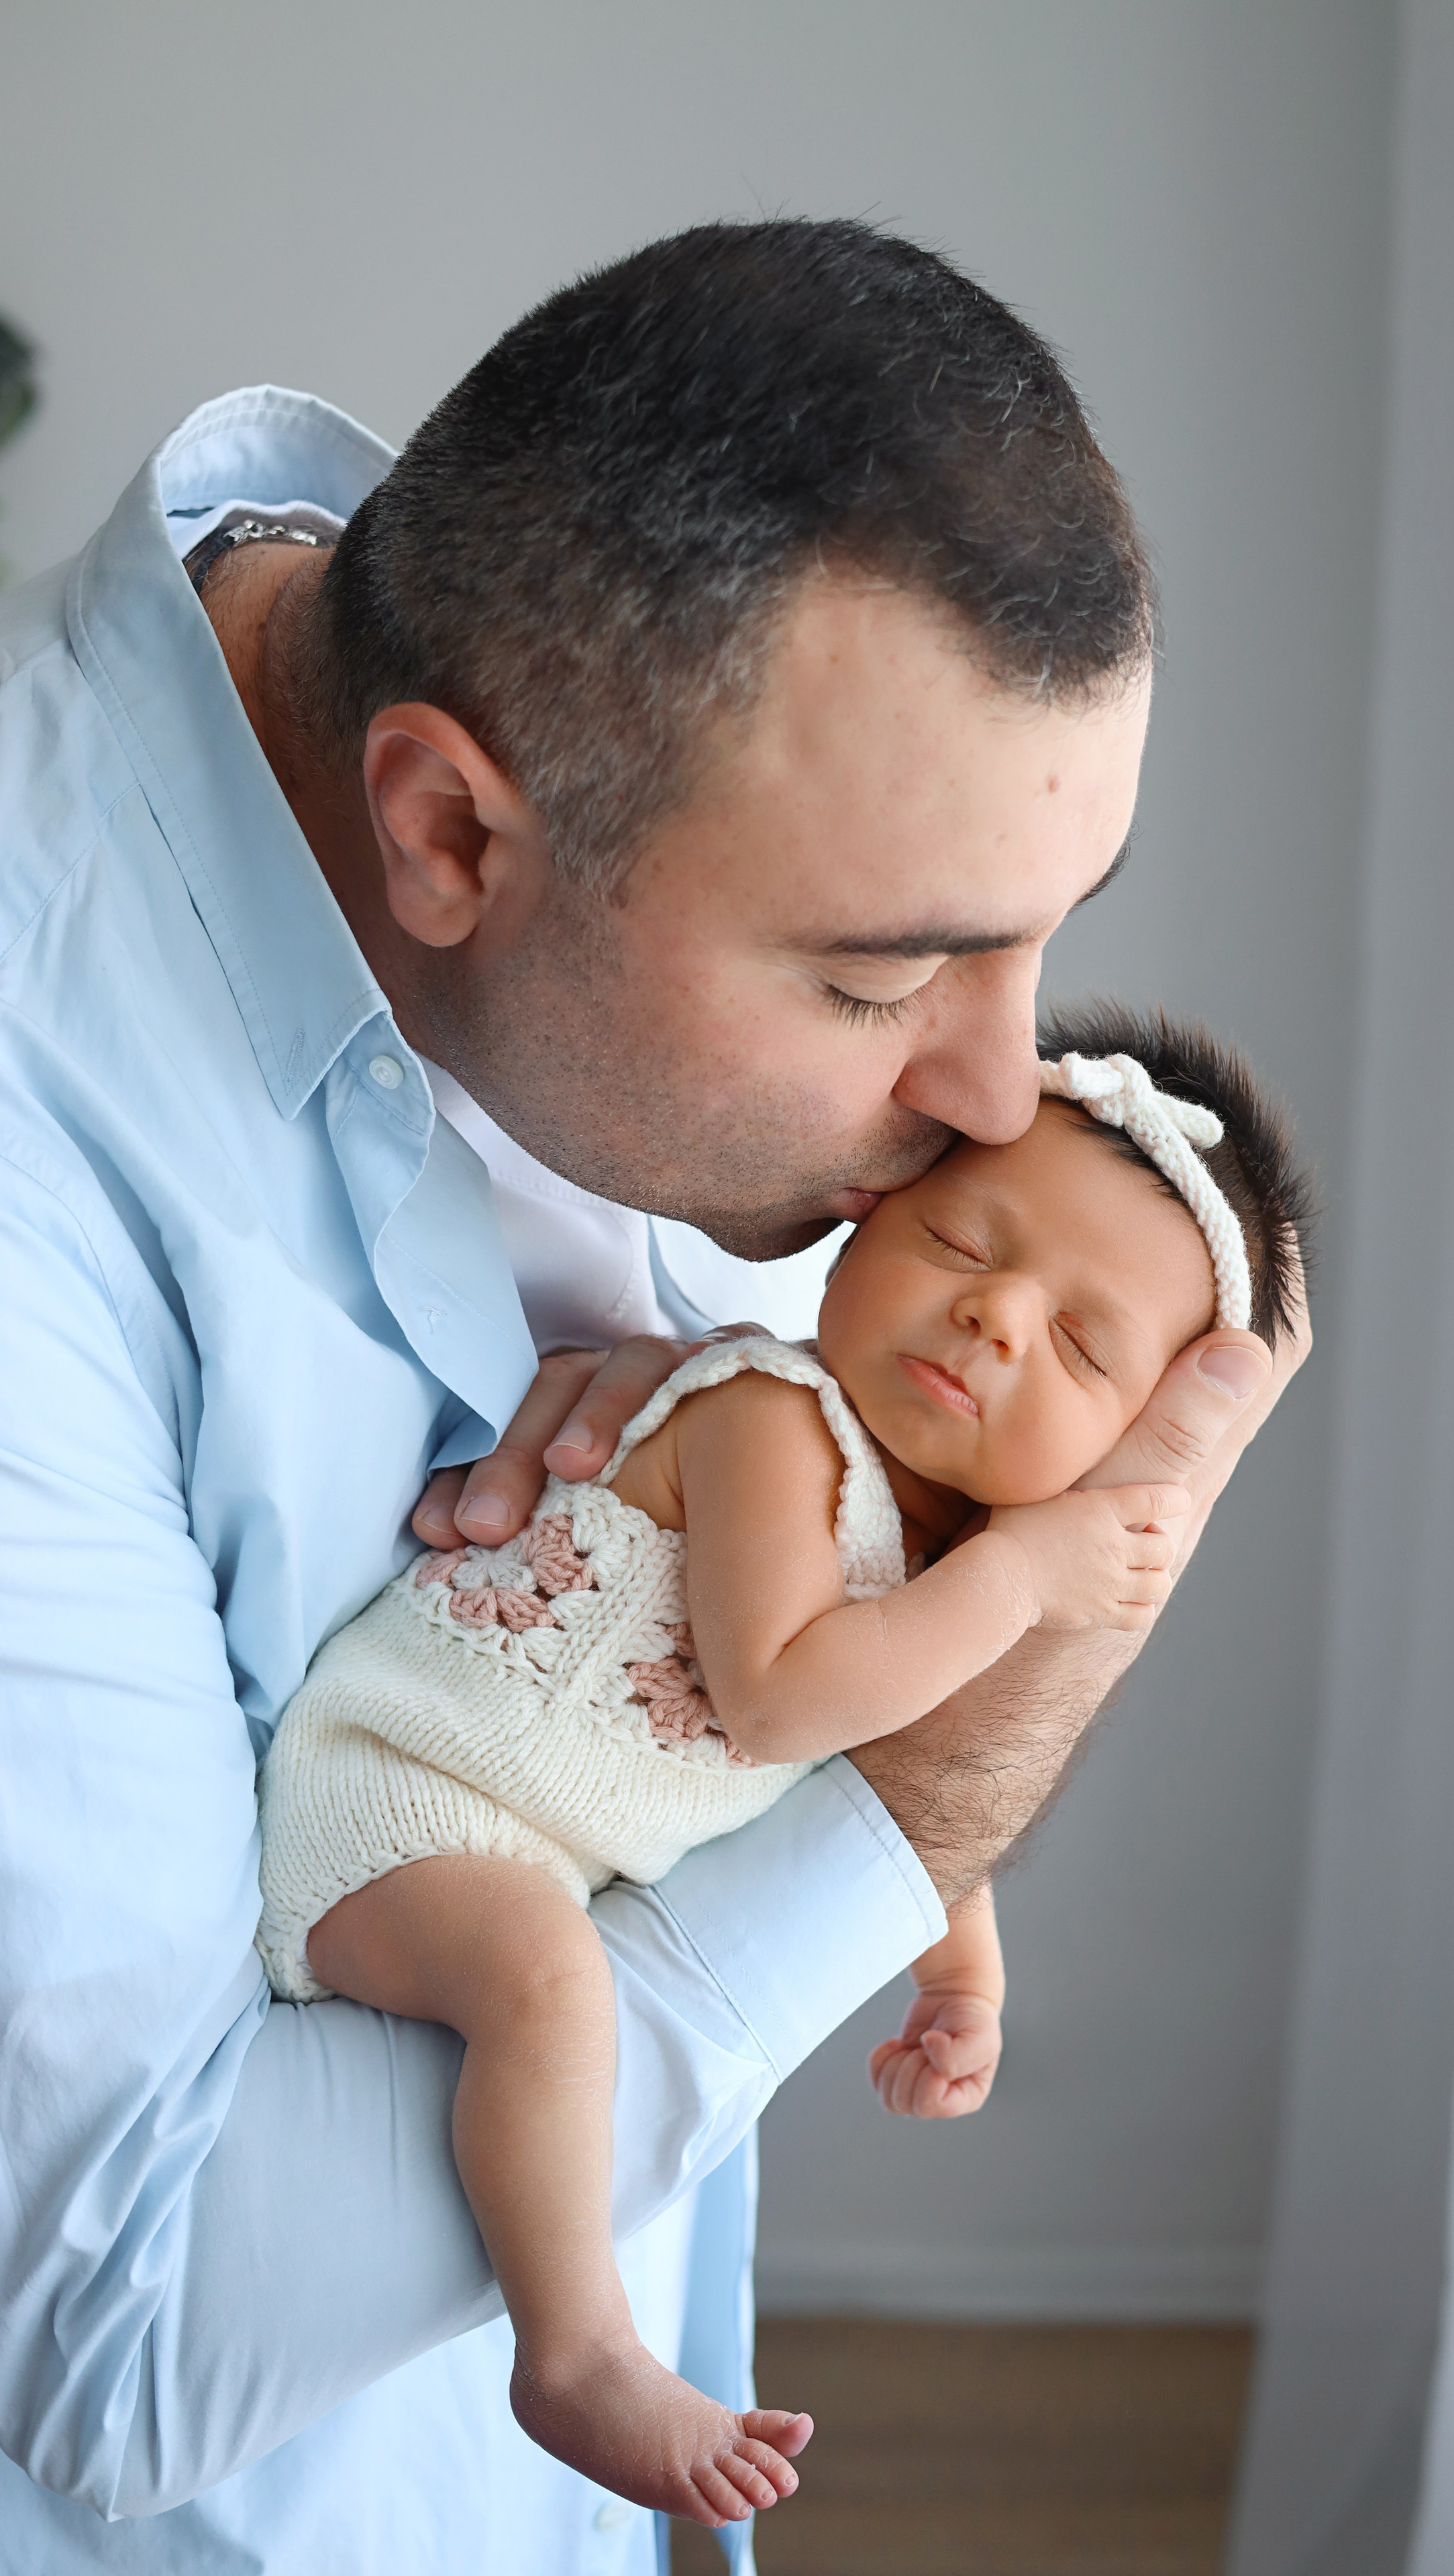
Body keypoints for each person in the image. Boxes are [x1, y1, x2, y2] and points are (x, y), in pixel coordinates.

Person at [0, 219, 1305, 2574]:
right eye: (893, 977)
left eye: (1049, 937)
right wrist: (935, 1784)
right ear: (449, 837)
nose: (1009, 1096)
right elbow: (116, 2333)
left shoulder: (653, 829)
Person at [255, 1004, 1312, 2532]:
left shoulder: (920, 1562)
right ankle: (576, 2355)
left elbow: (886, 1781)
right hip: (403, 1794)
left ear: (1128, 1444)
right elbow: (779, 1706)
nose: (996, 1319)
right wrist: (1022, 1585)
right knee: (552, 1984)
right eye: (961, 1245)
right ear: (864, 1222)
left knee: (559, 1986)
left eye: (1078, 1344)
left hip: (518, 1843)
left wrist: (962, 1975)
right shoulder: (770, 1414)